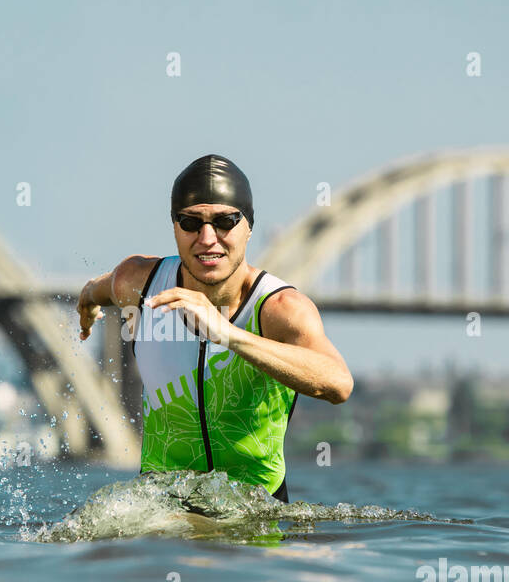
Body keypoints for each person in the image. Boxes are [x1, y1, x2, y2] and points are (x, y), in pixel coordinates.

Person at [76, 154, 352, 502]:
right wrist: (87, 306)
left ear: (248, 226)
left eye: (225, 221)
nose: (207, 238)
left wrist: (228, 333)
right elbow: (95, 289)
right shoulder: (139, 283)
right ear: (174, 226)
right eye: (191, 222)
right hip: (160, 509)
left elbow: (338, 384)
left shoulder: (280, 310)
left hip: (254, 512)